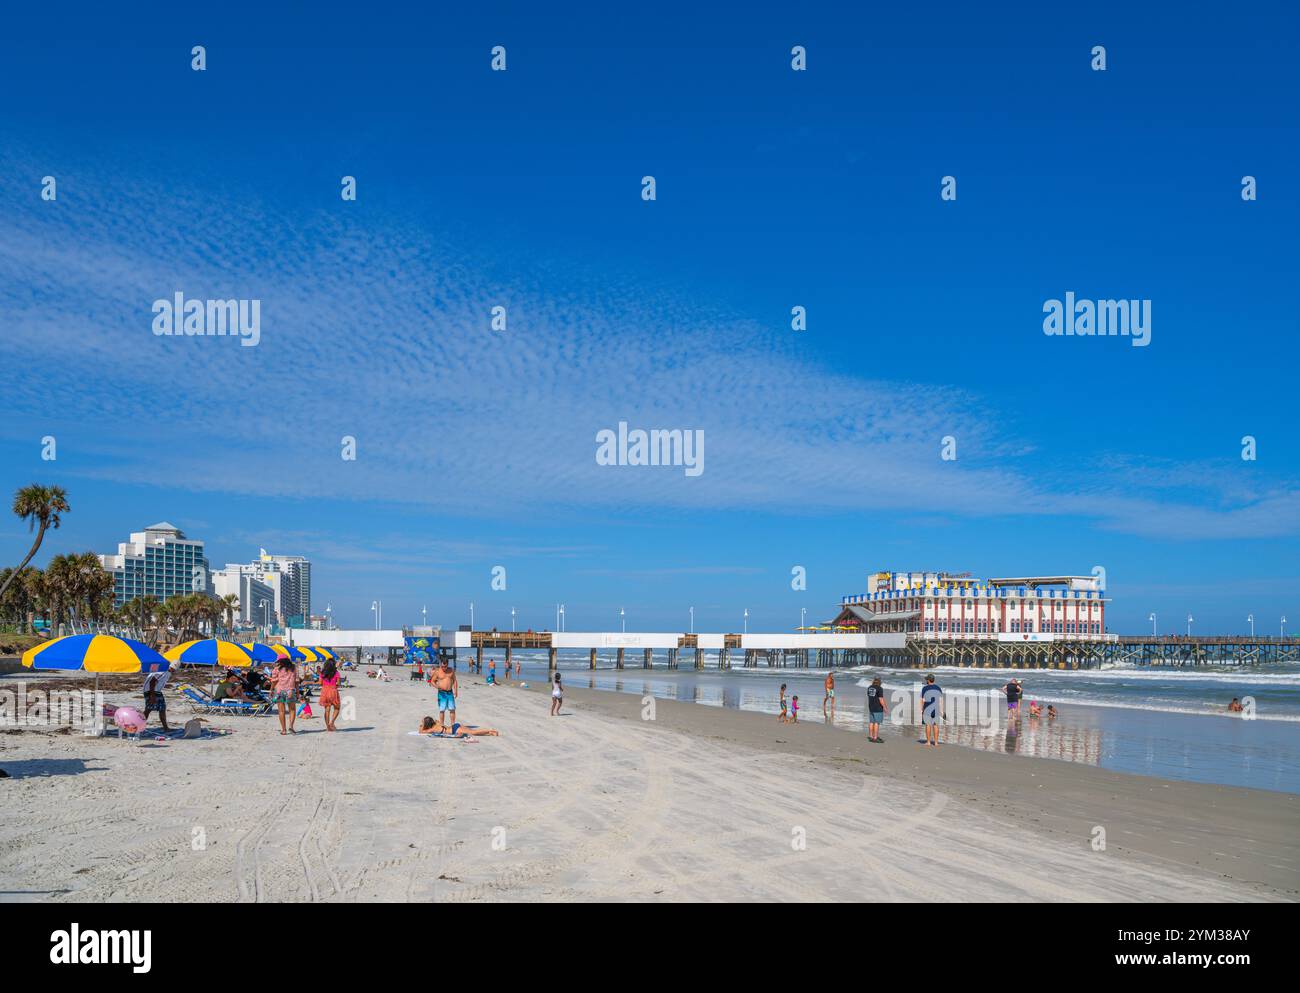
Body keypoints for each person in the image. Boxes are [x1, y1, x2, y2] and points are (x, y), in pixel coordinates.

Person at [270, 658, 299, 735]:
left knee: (281, 711)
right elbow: (296, 682)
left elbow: (273, 681)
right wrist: (298, 692)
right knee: (292, 710)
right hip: (290, 691)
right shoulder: (293, 669)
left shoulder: (277, 669)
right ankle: (291, 726)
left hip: (279, 691)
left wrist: (271, 690)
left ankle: (283, 730)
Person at [433, 658, 459, 728]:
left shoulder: (451, 670)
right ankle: (442, 725)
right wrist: (437, 687)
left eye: (445, 666)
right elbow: (432, 681)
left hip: (450, 692)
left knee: (452, 709)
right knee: (442, 709)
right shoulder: (437, 671)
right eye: (442, 666)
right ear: (441, 664)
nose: (444, 668)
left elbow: (455, 681)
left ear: (447, 664)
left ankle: (453, 725)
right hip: (442, 693)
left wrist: (456, 691)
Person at [418, 716, 501, 738]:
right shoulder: (437, 722)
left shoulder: (432, 729)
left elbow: (420, 731)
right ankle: (490, 733)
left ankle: (490, 729)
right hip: (455, 726)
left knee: (474, 733)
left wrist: (421, 726)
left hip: (455, 729)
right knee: (473, 731)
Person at [920, 674, 944, 747]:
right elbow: (941, 700)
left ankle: (928, 742)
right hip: (936, 709)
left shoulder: (924, 688)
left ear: (928, 680)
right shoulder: (938, 688)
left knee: (928, 725)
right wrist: (942, 711)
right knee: (936, 725)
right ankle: (936, 743)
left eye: (926, 679)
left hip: (927, 709)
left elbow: (922, 700)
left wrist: (921, 709)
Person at [319, 659, 342, 731]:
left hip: (325, 691)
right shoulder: (336, 672)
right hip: (333, 690)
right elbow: (338, 683)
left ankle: (327, 727)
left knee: (327, 710)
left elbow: (320, 683)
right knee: (337, 707)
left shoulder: (322, 673)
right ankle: (332, 722)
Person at [866, 676, 887, 743]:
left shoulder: (869, 687)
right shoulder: (879, 688)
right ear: (879, 681)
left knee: (871, 722)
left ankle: (871, 737)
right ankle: (875, 738)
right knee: (877, 723)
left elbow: (869, 696)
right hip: (877, 708)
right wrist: (885, 707)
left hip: (871, 707)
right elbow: (881, 699)